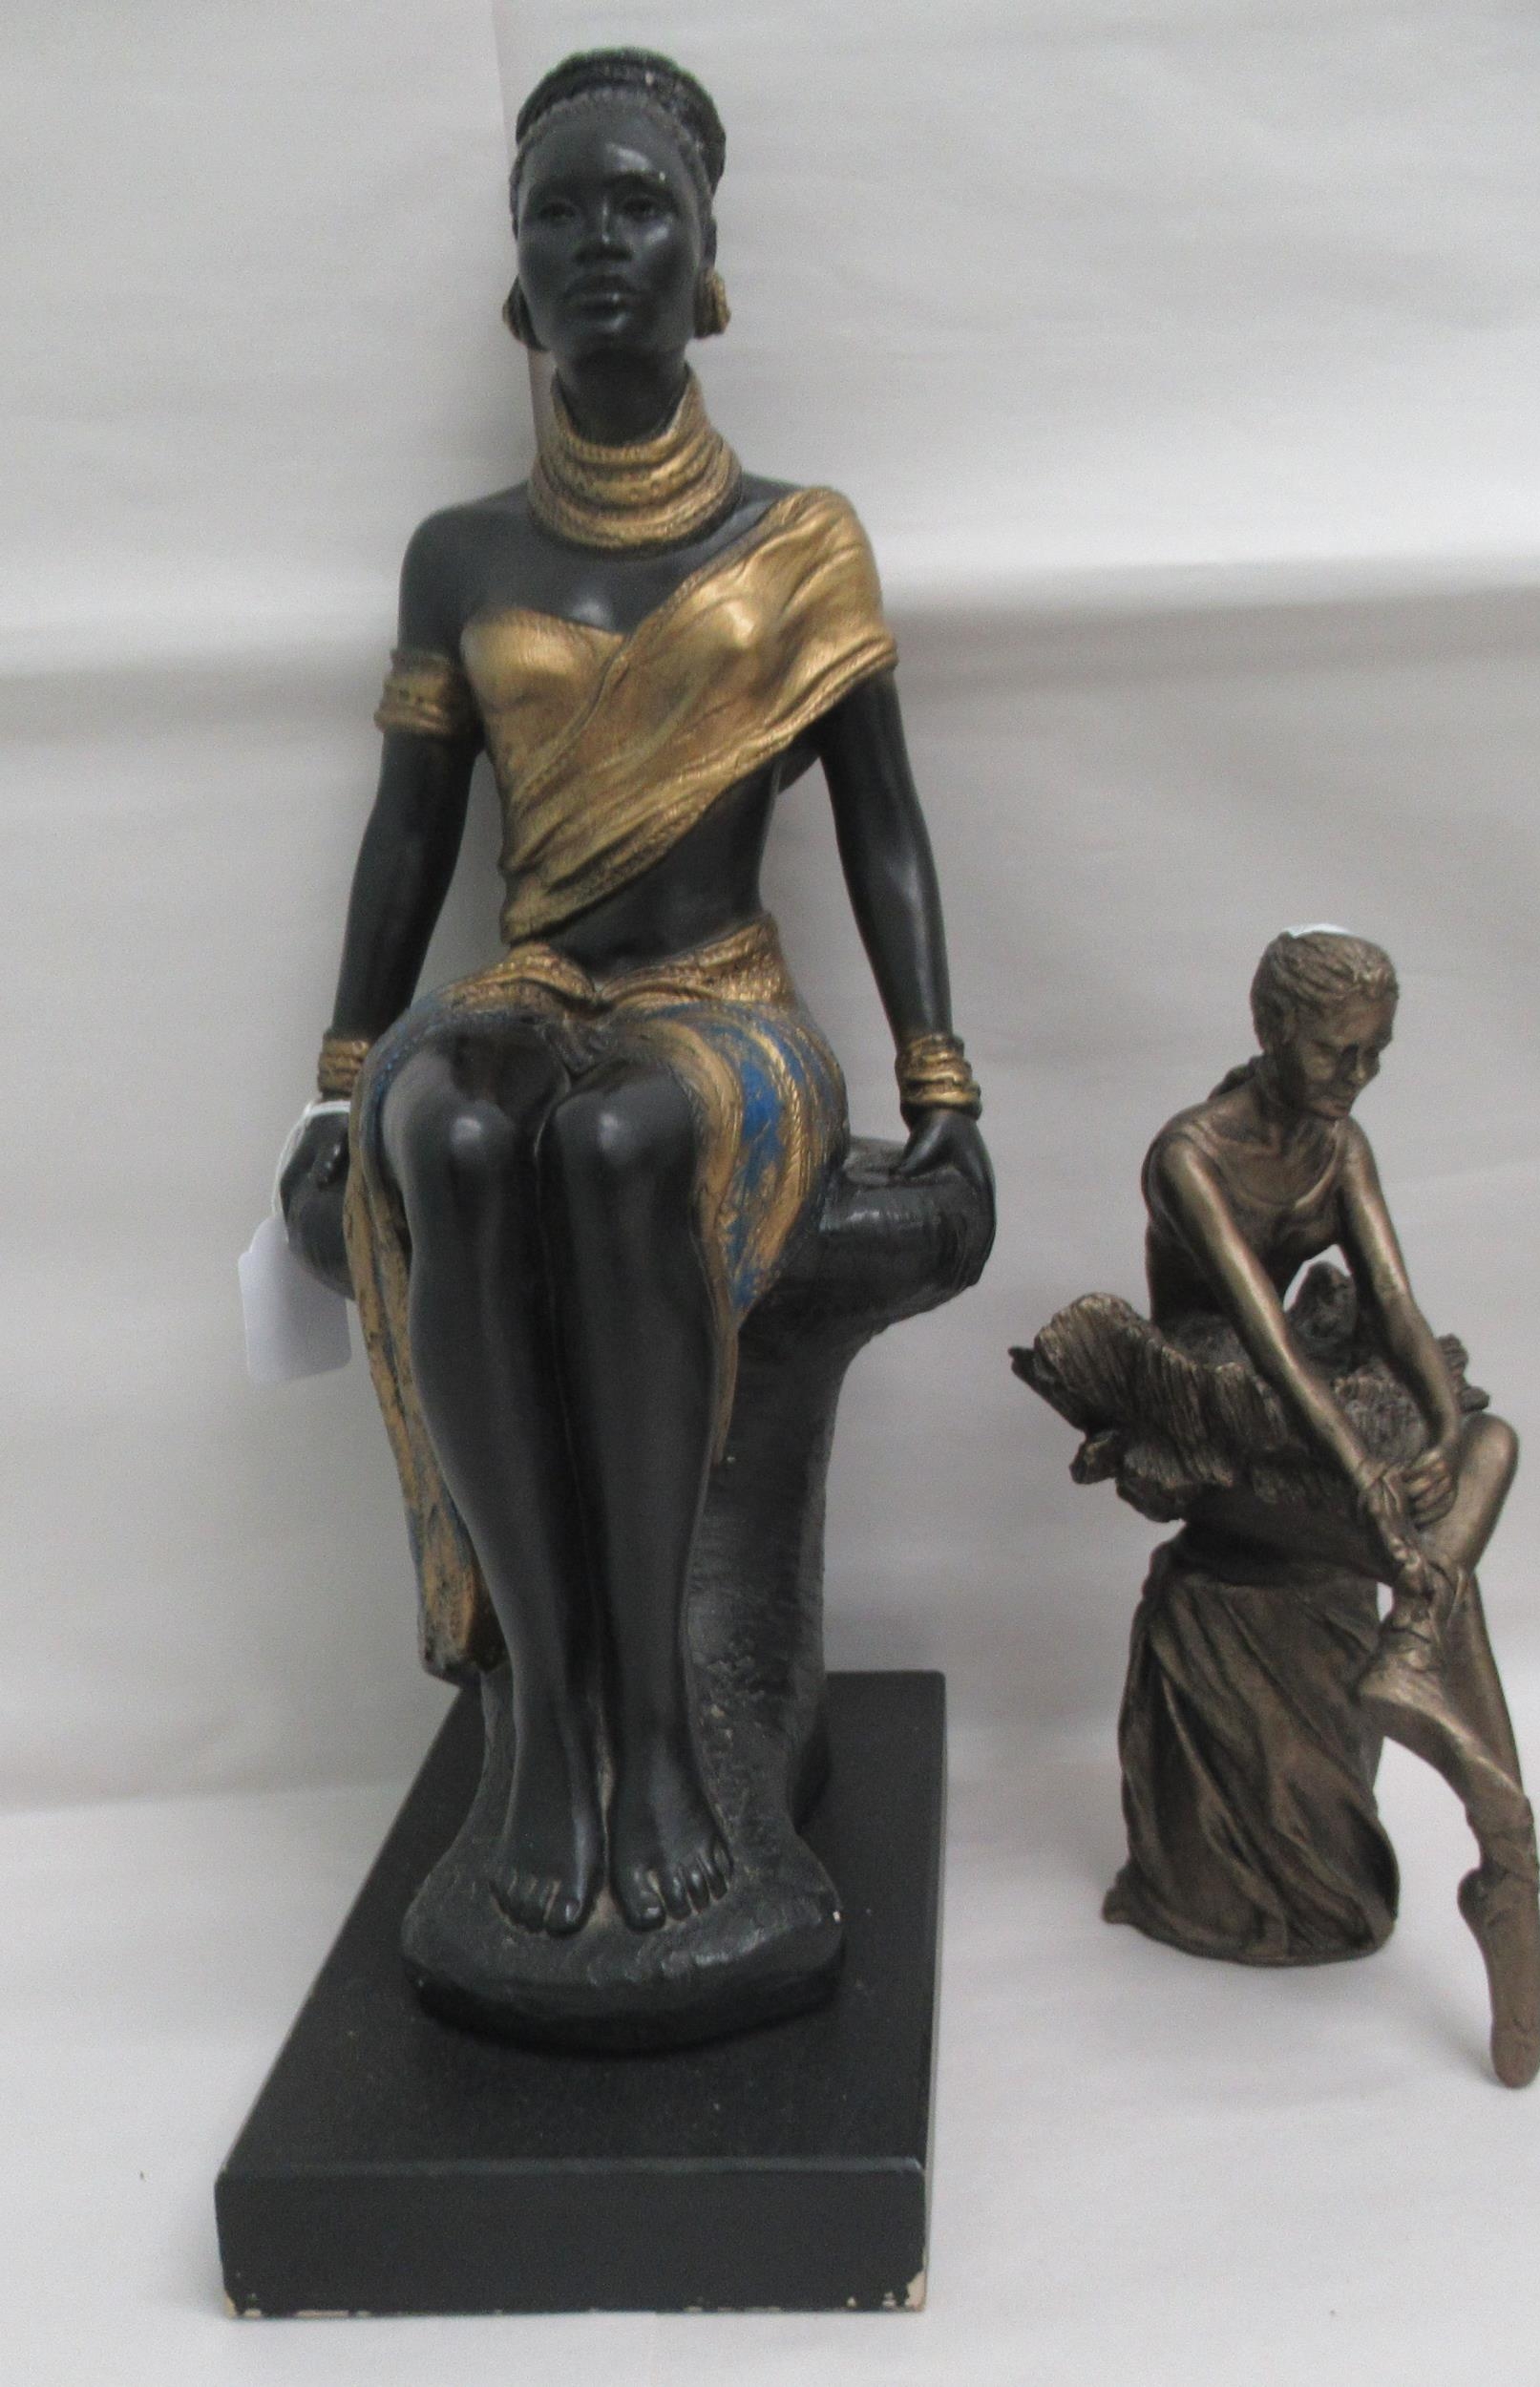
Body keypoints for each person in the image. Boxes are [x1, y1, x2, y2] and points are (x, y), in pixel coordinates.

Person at [278, 50, 991, 1947]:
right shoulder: (461, 555)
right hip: (521, 986)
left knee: (612, 1147)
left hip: (720, 1001)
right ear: (516, 273)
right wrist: (341, 1087)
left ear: (706, 254)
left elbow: (884, 828)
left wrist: (940, 1085)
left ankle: (663, 1731)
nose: (599, 242)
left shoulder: (798, 542)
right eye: (557, 211)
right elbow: (409, 836)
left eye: (638, 205)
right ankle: (549, 1725)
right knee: (449, 1135)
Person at [1015, 929, 1540, 2084]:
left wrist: (1440, 1434)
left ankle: (1425, 1671)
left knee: (1494, 1442)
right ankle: (1507, 1851)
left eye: (1376, 1053)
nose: (1357, 1076)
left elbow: (1397, 1309)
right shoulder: (1188, 1154)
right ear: (1271, 1030)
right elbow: (1263, 1336)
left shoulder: (1340, 1144)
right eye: (1337, 1051)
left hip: (1310, 1398)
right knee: (1413, 1547)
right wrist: (1365, 1475)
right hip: (1216, 1408)